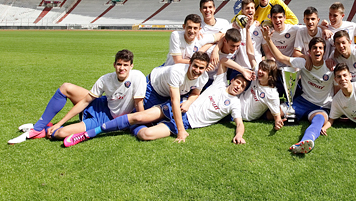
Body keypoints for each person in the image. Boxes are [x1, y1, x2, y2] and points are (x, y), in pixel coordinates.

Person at [63, 62, 248, 146]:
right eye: (237, 82)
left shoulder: (235, 104)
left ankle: (129, 126)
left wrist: (239, 135)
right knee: (139, 115)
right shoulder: (218, 83)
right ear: (232, 82)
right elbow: (223, 61)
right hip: (174, 107)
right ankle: (90, 133)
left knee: (146, 134)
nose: (238, 86)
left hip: (186, 122)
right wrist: (242, 71)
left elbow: (239, 124)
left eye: (242, 86)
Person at [8, 50, 146, 144]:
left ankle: (43, 130)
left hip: (106, 118)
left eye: (126, 65)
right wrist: (59, 122)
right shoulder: (105, 79)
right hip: (101, 105)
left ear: (131, 66)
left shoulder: (138, 77)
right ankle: (37, 127)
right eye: (119, 64)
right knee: (66, 87)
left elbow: (139, 104)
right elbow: (86, 100)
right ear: (114, 65)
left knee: (60, 134)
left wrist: (139, 123)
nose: (122, 68)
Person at [262, 26, 334, 154]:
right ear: (309, 51)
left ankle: (306, 141)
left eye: (320, 48)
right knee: (269, 115)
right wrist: (268, 40)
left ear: (324, 51)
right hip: (302, 102)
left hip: (321, 106)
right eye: (314, 48)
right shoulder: (303, 62)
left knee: (319, 121)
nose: (317, 51)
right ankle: (293, 118)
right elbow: (280, 57)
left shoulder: (330, 67)